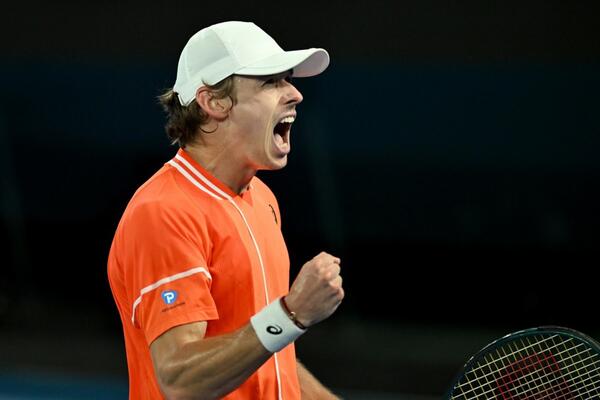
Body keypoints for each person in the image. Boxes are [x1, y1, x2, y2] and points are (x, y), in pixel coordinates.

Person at [107, 21, 344, 400]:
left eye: (287, 80)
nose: (296, 94)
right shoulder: (163, 212)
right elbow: (180, 379)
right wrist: (291, 314)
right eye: (271, 82)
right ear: (213, 102)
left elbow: (266, 356)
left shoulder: (262, 199)